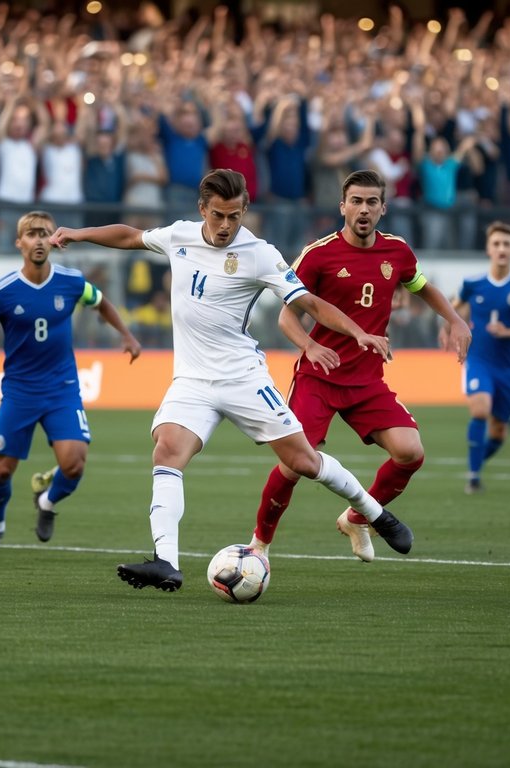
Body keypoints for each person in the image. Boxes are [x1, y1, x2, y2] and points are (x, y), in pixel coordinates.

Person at [50, 169, 411, 592]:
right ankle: (166, 561)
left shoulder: (260, 253)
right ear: (202, 209)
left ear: (245, 211)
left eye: (234, 216)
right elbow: (130, 236)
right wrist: (78, 233)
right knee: (166, 452)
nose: (226, 226)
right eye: (219, 215)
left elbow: (308, 302)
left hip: (242, 377)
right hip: (192, 380)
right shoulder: (180, 236)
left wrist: (357, 332)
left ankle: (374, 512)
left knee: (303, 461)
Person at [251, 169, 471, 563]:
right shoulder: (318, 254)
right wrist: (310, 345)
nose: (363, 209)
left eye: (372, 202)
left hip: (367, 380)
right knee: (294, 464)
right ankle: (259, 546)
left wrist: (454, 320)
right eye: (356, 201)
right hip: (319, 377)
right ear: (342, 207)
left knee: (410, 452)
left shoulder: (397, 252)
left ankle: (357, 517)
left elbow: (423, 288)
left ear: (383, 208)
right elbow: (286, 317)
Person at [0, 210, 141, 546]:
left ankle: (46, 502)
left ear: (54, 240)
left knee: (74, 465)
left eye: (44, 233)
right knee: (3, 470)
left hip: (62, 389)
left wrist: (126, 335)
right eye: (31, 234)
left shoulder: (72, 281)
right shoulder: (0, 291)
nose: (38, 239)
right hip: (20, 391)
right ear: (19, 243)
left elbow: (101, 302)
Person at [449, 222, 510, 493]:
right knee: (479, 409)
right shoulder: (472, 284)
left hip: (507, 367)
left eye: (506, 244)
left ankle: (476, 462)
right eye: (497, 244)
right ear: (488, 249)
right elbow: (452, 310)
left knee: (499, 431)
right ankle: (474, 476)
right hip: (478, 359)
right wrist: (449, 329)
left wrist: (508, 331)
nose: (501, 248)